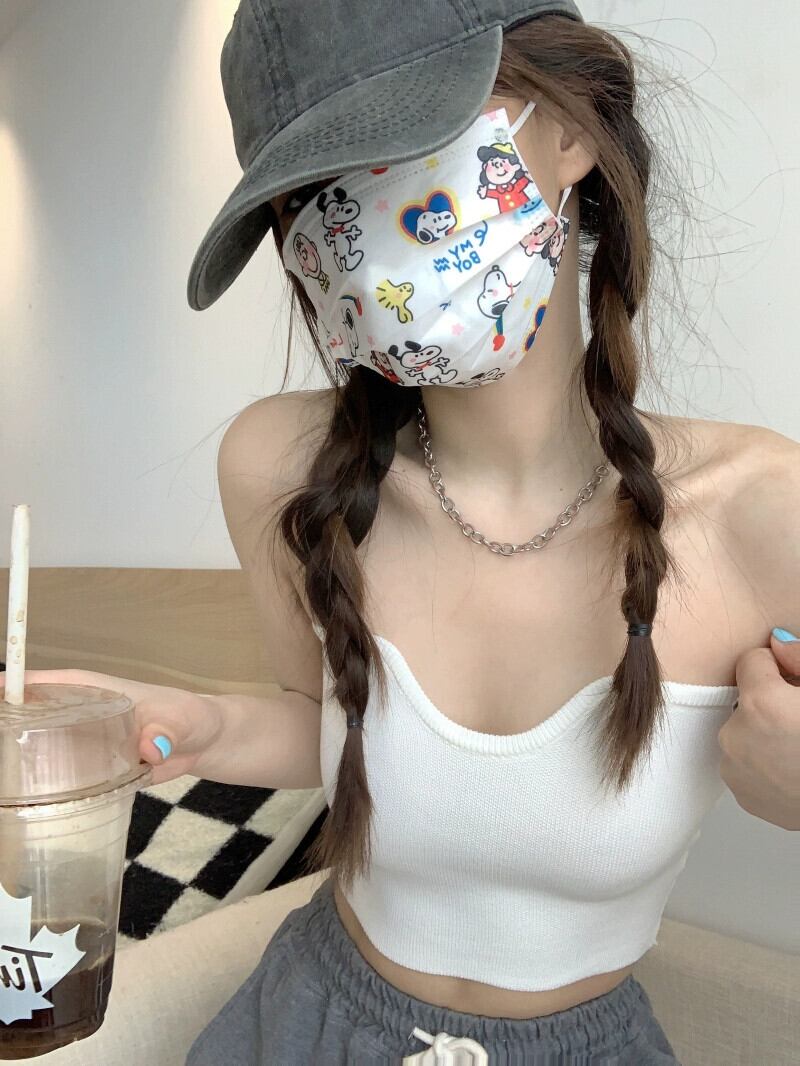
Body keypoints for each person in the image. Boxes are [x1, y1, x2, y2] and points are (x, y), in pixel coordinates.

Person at [9, 1, 799, 1063]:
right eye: (309, 192)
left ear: (573, 128)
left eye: (401, 141)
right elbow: (325, 726)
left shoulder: (763, 511)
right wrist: (192, 724)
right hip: (302, 1023)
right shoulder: (283, 470)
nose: (352, 222)